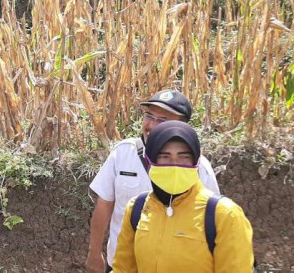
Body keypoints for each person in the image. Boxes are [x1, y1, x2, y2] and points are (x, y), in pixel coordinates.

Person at [86, 90, 220, 273]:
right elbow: (104, 205)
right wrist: (94, 253)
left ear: (183, 126)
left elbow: (211, 219)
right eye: (149, 116)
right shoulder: (122, 154)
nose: (152, 125)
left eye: (163, 120)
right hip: (121, 265)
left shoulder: (198, 168)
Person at [112, 120, 254, 272]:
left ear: (196, 162)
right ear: (150, 161)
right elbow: (123, 269)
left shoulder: (224, 215)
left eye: (183, 157)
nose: (174, 164)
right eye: (164, 156)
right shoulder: (137, 208)